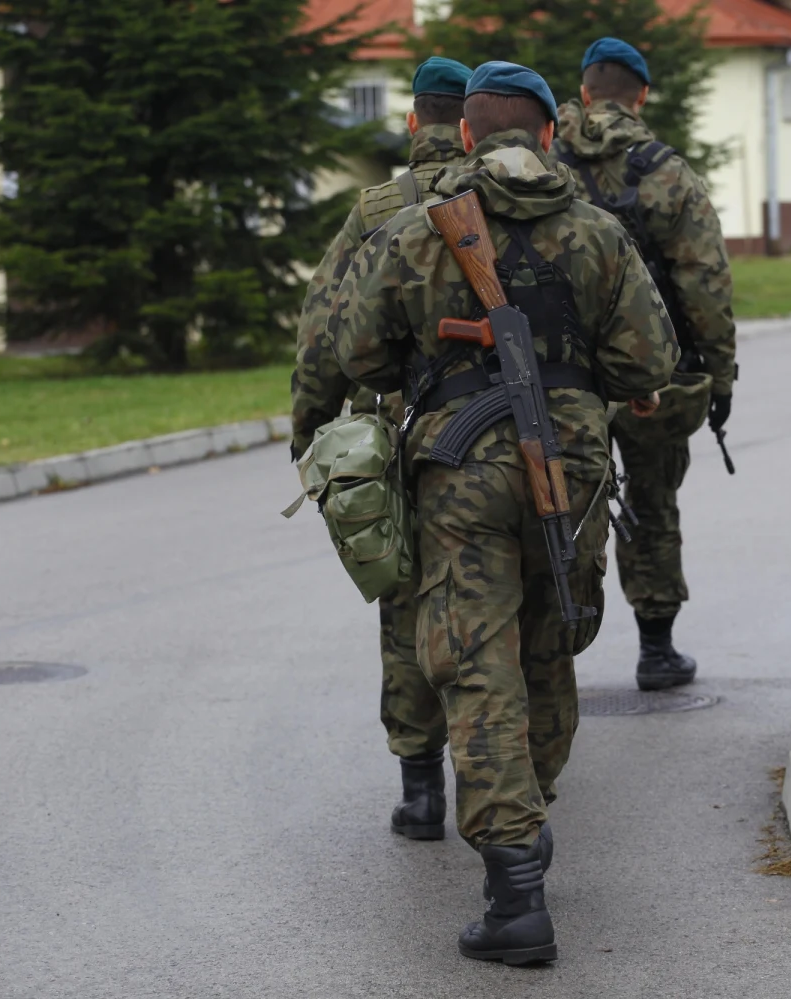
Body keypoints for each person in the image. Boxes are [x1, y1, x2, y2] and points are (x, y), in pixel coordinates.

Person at [330, 61, 677, 964]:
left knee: (477, 661)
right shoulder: (598, 233)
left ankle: (516, 888)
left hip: (459, 474)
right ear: (552, 136)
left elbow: (358, 354)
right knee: (549, 640)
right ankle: (528, 820)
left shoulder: (414, 232)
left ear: (469, 138)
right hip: (569, 466)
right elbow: (648, 367)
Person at [290, 57, 473, 841]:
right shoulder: (504, 196)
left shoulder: (376, 210)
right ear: (471, 124)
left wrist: (311, 434)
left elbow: (322, 331)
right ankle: (506, 777)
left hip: (402, 431)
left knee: (405, 602)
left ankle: (421, 789)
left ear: (411, 123)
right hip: (500, 426)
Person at [556, 37, 737, 692]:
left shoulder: (542, 166)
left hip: (560, 375)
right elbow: (705, 284)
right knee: (652, 497)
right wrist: (719, 375)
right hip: (653, 374)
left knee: (567, 503)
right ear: (641, 95)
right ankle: (656, 649)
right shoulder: (666, 172)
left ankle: (554, 650)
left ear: (584, 92)